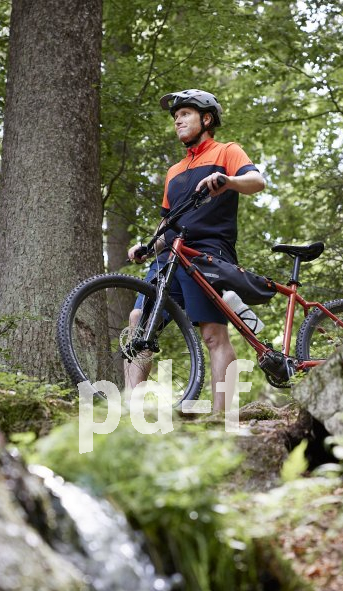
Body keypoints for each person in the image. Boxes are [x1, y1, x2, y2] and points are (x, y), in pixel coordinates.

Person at [128, 89, 265, 411]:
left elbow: (257, 182)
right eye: (175, 117)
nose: (177, 120)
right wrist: (148, 246)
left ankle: (221, 416)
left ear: (206, 119)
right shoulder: (174, 172)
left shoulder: (226, 151)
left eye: (185, 114)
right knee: (139, 319)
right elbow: (167, 222)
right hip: (170, 255)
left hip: (207, 252)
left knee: (214, 335)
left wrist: (228, 180)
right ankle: (131, 408)